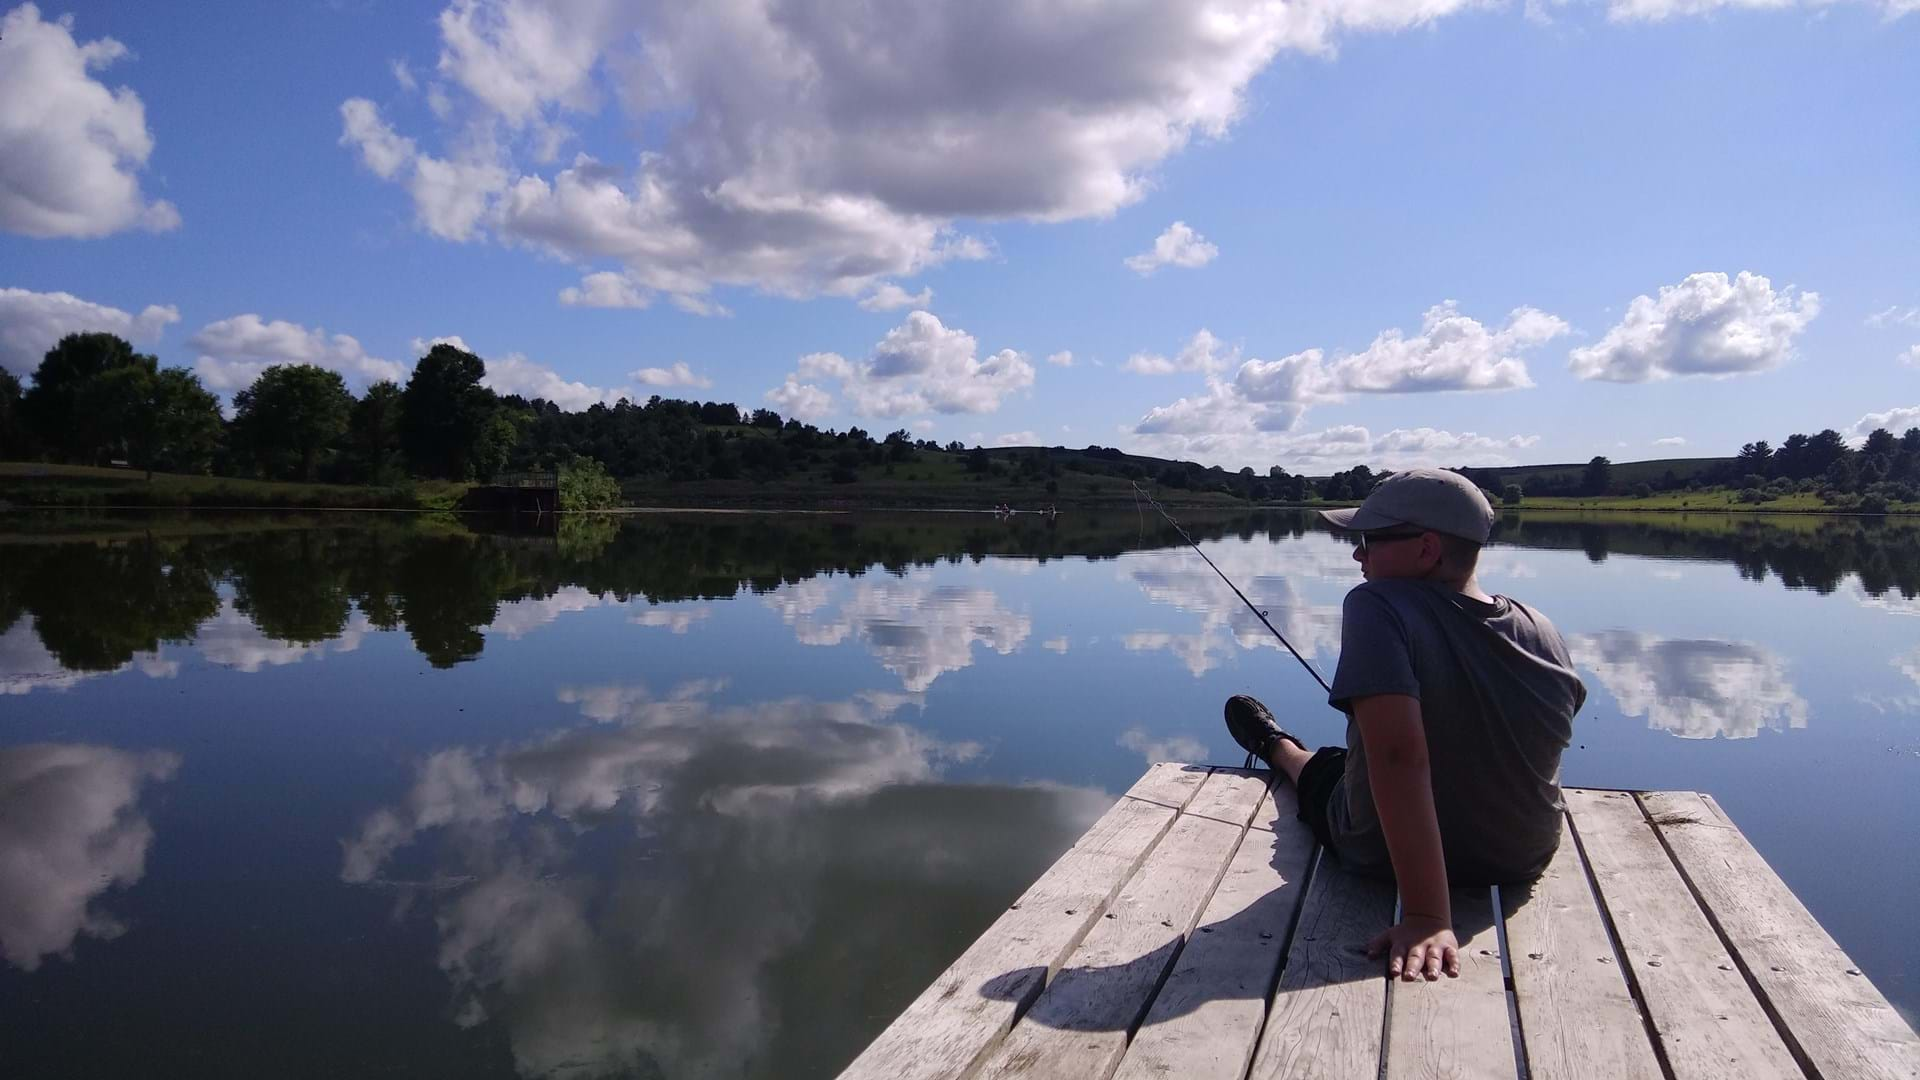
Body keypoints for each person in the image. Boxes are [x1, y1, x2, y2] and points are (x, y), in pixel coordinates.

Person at [1223, 468, 1585, 984]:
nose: (1358, 557)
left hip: (1382, 855)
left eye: (1369, 541)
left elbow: (1397, 758)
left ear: (1426, 549)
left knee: (1325, 771)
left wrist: (1428, 917)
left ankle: (1276, 745)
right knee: (1357, 760)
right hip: (1522, 856)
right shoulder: (1540, 626)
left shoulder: (1376, 604)